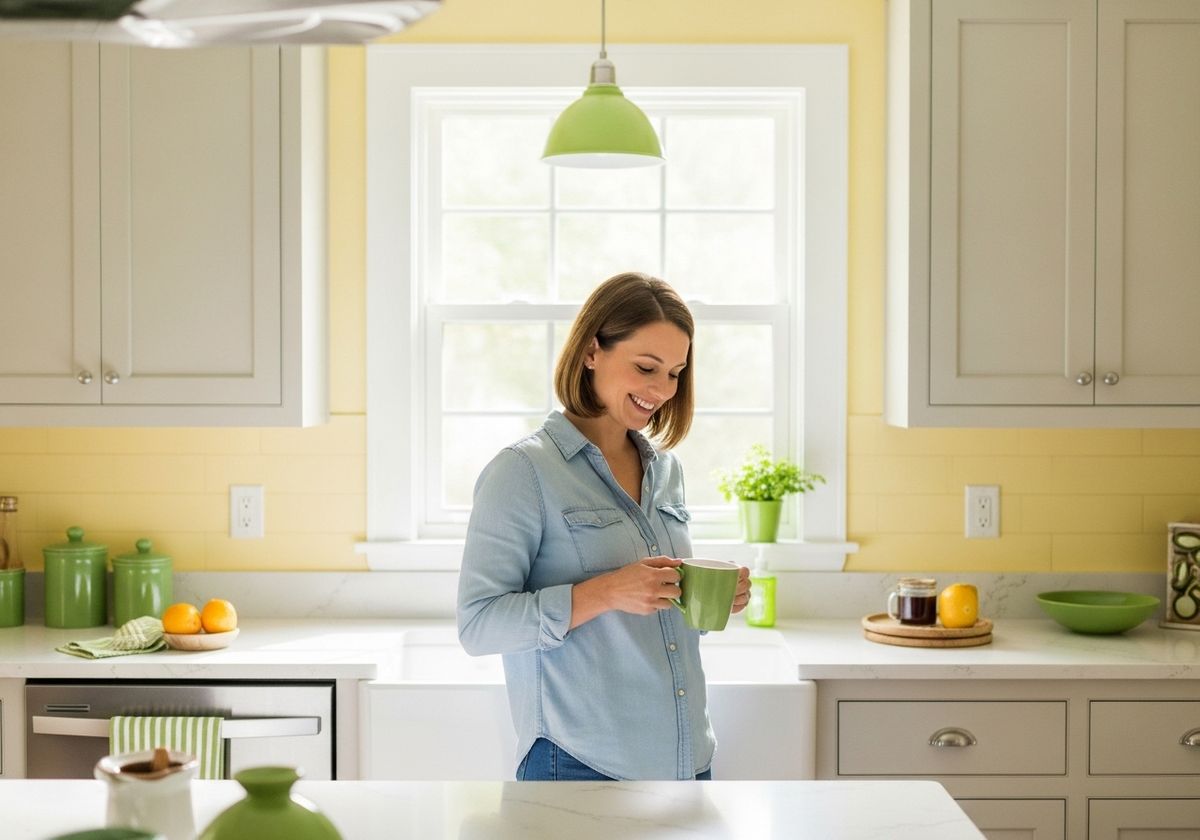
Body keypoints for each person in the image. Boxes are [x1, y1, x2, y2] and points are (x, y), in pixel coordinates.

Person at [457, 271, 752, 781]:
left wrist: (707, 602)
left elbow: (656, 616)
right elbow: (478, 626)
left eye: (676, 373)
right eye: (646, 367)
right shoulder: (523, 471)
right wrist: (608, 591)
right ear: (592, 350)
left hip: (687, 761)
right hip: (581, 765)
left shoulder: (666, 470)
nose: (662, 389)